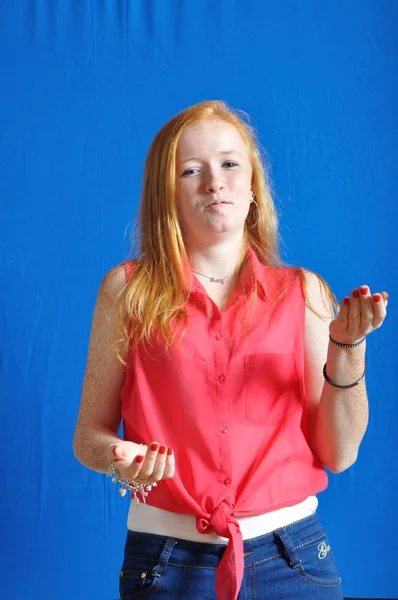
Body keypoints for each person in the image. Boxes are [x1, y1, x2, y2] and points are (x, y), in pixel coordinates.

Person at [73, 100, 389, 600]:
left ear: (253, 188)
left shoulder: (303, 294)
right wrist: (120, 456)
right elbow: (87, 434)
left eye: (229, 164)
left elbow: (340, 453)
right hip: (166, 563)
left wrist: (347, 350)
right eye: (191, 170)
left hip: (295, 560)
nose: (214, 182)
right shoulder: (126, 291)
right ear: (167, 195)